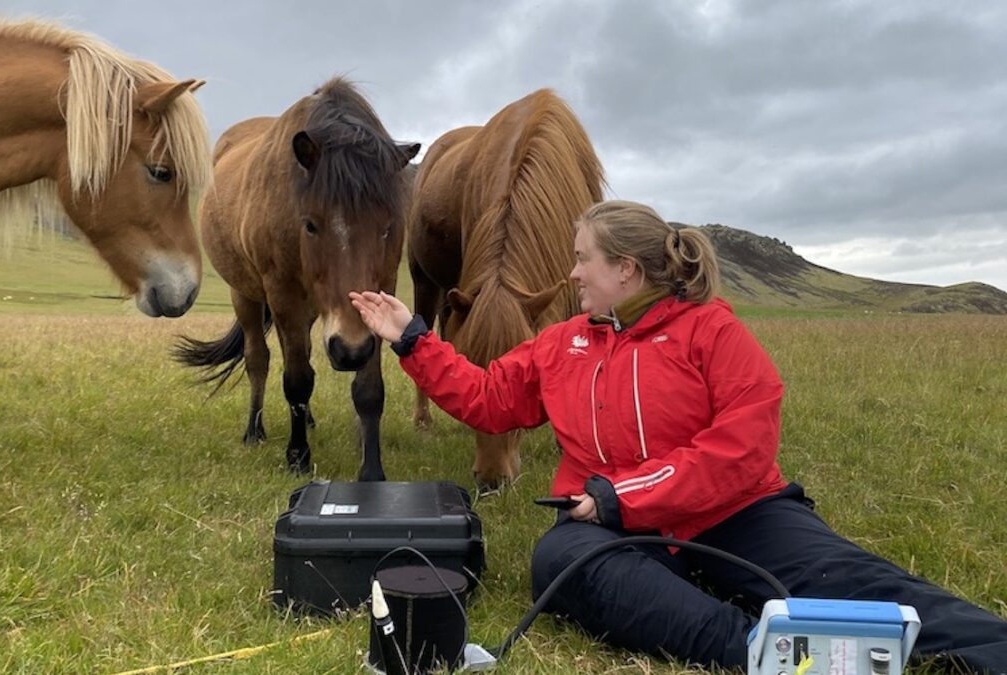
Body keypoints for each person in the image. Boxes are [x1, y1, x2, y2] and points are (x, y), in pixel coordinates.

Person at [349, 200, 1007, 672]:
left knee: (852, 578)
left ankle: (988, 645)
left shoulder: (711, 330)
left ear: (626, 270)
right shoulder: (562, 343)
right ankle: (757, 649)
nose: (572, 273)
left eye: (583, 260)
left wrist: (621, 495)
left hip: (735, 512)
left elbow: (745, 443)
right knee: (561, 561)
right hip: (605, 527)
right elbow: (489, 402)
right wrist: (413, 337)